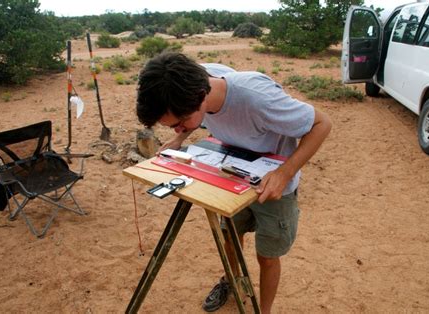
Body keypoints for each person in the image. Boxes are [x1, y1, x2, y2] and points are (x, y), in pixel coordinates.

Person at [136, 52, 332, 313]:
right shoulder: (190, 79)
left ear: (201, 97)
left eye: (179, 124)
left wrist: (284, 173)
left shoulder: (258, 99)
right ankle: (230, 281)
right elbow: (194, 114)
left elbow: (322, 123)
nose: (176, 128)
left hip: (274, 187)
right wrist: (180, 139)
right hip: (231, 173)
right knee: (229, 237)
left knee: (267, 255)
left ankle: (264, 310)